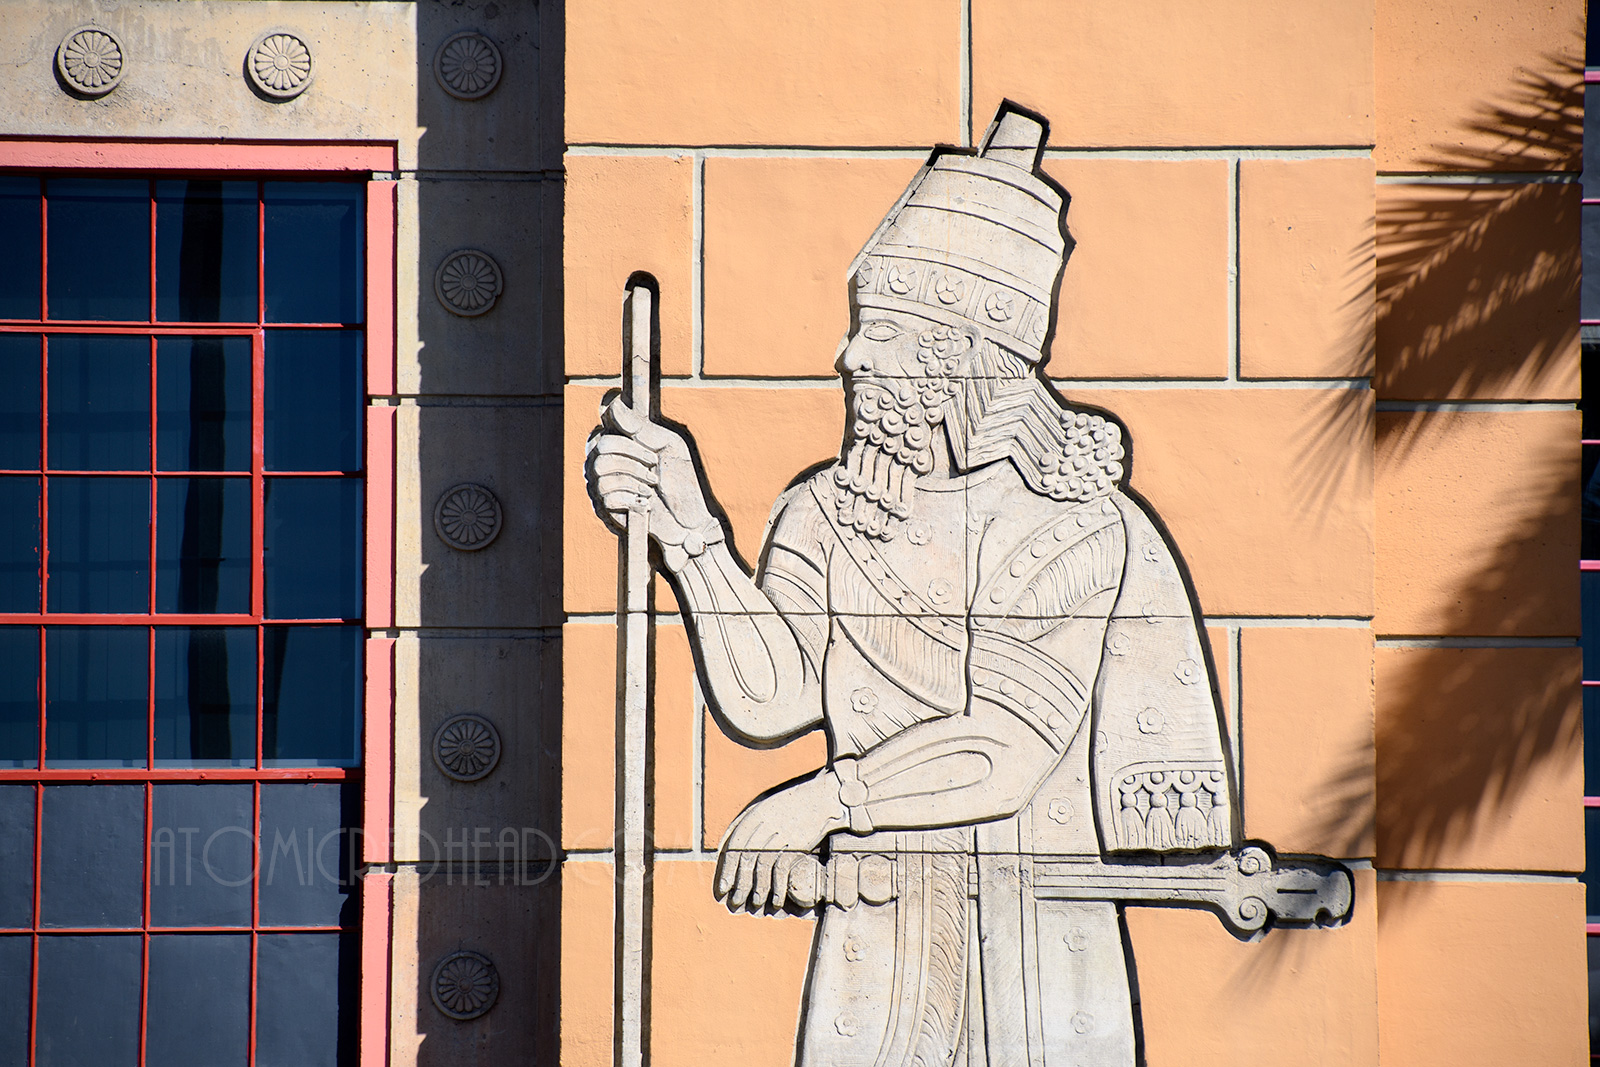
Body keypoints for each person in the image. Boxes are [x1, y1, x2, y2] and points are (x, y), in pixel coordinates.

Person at [587, 102, 1235, 1067]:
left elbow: (1009, 744)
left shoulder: (1079, 523)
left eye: (877, 333)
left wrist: (823, 802)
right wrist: (690, 533)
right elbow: (773, 698)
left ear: (952, 355)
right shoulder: (824, 509)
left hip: (1040, 969)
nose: (848, 358)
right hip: (874, 956)